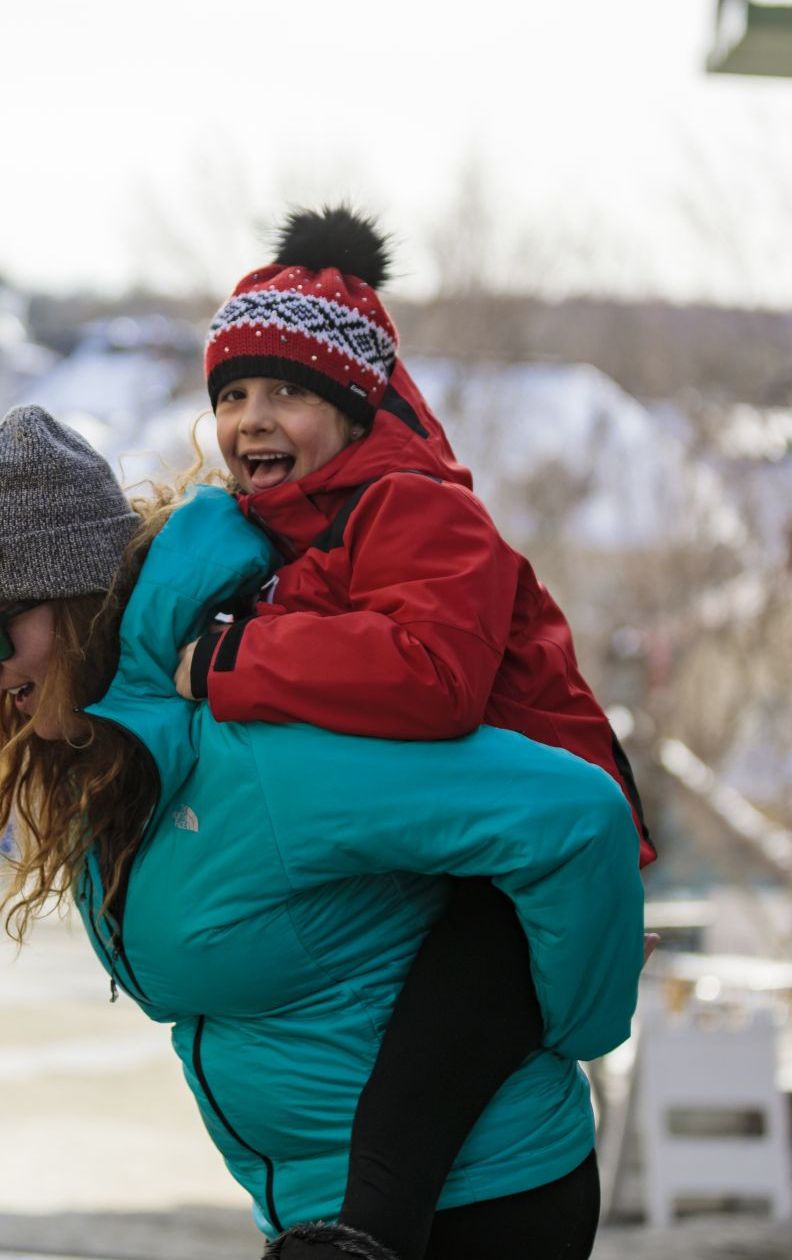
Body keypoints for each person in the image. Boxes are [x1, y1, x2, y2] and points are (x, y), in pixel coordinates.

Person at [0, 404, 643, 1259]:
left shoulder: (248, 741)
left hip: (478, 1203)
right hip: (331, 1216)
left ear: (76, 604)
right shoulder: (114, 758)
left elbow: (575, 816)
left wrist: (578, 1026)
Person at [168, 205, 656, 1258]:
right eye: (234, 393)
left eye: (289, 391)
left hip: (524, 848)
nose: (253, 417)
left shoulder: (417, 509)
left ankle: (367, 1238)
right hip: (444, 835)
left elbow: (433, 678)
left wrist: (236, 661)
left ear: (354, 406)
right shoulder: (288, 536)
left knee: (436, 1047)